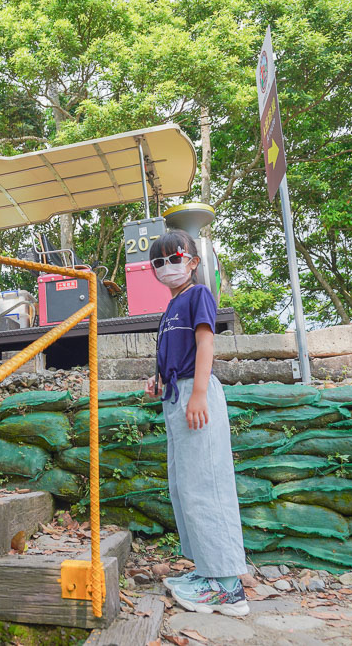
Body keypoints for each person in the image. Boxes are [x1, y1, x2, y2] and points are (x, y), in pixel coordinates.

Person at [144, 228, 249, 617]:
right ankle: (207, 572)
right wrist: (157, 381)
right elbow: (173, 354)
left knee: (207, 484)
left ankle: (227, 587)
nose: (167, 266)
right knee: (185, 487)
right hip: (177, 396)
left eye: (174, 258)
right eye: (159, 262)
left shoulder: (199, 295)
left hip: (195, 395)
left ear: (192, 260)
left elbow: (206, 343)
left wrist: (199, 393)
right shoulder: (171, 308)